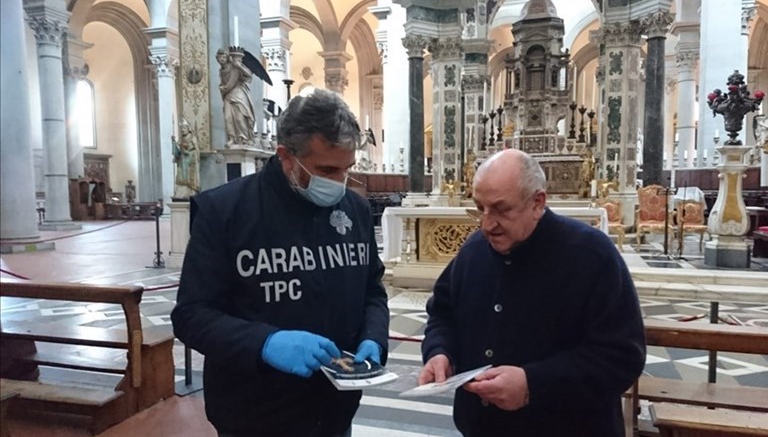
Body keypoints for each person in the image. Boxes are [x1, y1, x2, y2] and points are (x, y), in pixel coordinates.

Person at [171, 88, 390, 437]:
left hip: (334, 412)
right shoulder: (225, 211)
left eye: (346, 169)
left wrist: (374, 338)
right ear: (287, 157)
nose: (339, 182)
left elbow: (372, 292)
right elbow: (191, 316)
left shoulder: (355, 209)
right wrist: (265, 343)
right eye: (327, 169)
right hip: (256, 413)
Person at [417, 149, 645, 437]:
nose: (487, 224)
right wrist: (440, 351)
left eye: (501, 210)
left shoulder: (591, 255)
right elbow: (442, 313)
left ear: (537, 202)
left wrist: (532, 385)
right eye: (480, 208)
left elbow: (621, 357)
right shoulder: (474, 250)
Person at [217, 47, 255, 146]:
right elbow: (224, 83)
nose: (221, 59)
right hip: (228, 96)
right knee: (227, 118)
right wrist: (222, 87)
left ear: (227, 58)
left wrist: (239, 66)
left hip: (238, 94)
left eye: (223, 57)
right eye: (219, 57)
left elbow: (249, 75)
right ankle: (232, 138)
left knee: (239, 118)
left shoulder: (234, 68)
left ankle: (244, 138)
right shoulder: (221, 70)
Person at [172, 119, 200, 199]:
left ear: (188, 128)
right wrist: (173, 142)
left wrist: (190, 153)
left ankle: (191, 191)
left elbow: (197, 150)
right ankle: (180, 193)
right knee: (181, 176)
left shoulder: (192, 138)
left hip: (191, 161)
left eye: (184, 128)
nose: (183, 130)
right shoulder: (181, 139)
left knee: (190, 177)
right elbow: (177, 152)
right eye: (181, 129)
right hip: (182, 161)